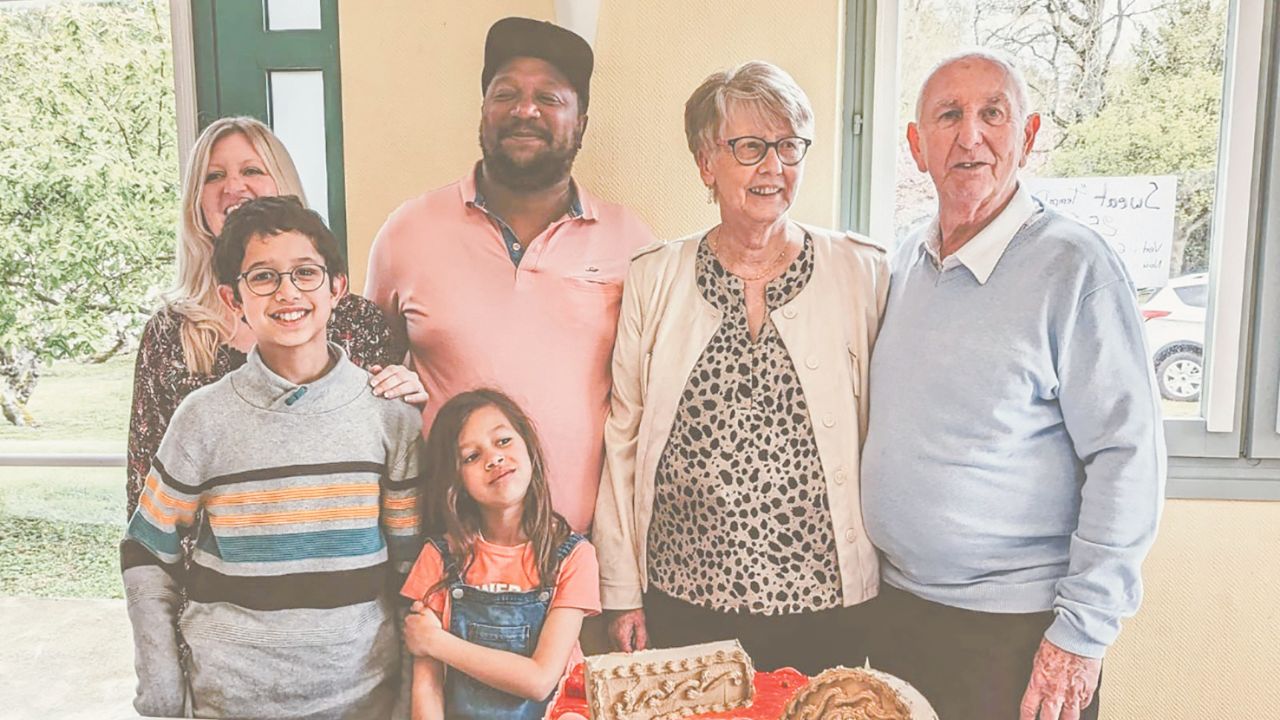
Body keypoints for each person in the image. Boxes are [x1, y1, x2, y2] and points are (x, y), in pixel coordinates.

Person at [861, 50, 1165, 720]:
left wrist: (1081, 635)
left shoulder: (1077, 267)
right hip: (900, 615)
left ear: (1026, 136)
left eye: (992, 114)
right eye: (949, 115)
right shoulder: (905, 260)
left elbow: (1127, 456)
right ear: (916, 145)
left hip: (1017, 634)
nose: (970, 135)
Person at [591, 61, 889, 674]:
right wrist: (620, 589)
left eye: (789, 146)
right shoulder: (655, 276)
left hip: (824, 601)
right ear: (707, 162)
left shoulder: (862, 272)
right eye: (751, 147)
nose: (773, 167)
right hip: (682, 593)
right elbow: (623, 438)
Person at [121, 196, 423, 718]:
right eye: (262, 277)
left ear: (337, 287)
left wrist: (410, 695)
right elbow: (146, 550)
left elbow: (413, 572)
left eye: (306, 273)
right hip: (228, 700)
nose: (287, 292)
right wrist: (162, 687)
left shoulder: (390, 417)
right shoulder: (203, 417)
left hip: (362, 700)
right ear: (232, 298)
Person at [366, 17, 654, 535]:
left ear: (582, 123)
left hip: (583, 556)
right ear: (483, 111)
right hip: (446, 554)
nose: (525, 110)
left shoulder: (631, 243)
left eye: (549, 97)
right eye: (506, 94)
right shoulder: (407, 233)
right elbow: (366, 384)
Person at [127, 116, 425, 518]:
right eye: (214, 176)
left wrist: (409, 398)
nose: (233, 187)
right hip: (213, 556)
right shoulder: (171, 334)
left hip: (341, 545)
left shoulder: (355, 320)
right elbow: (144, 482)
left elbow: (393, 464)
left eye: (252, 170)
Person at [401, 389, 600, 720]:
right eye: (471, 456)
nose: (493, 459)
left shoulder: (573, 555)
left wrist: (437, 643)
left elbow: (540, 680)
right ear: (455, 480)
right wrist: (429, 645)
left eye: (503, 441)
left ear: (528, 446)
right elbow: (427, 690)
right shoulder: (439, 557)